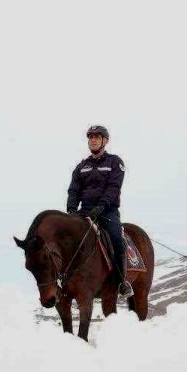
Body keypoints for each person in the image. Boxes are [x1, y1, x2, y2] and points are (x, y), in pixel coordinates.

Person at [66, 125, 132, 297]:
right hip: (84, 211)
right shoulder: (81, 166)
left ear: (105, 141)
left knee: (116, 238)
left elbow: (114, 187)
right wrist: (71, 210)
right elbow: (73, 190)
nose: (93, 140)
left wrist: (102, 206)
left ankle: (121, 281)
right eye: (90, 137)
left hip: (107, 211)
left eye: (96, 137)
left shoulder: (115, 162)